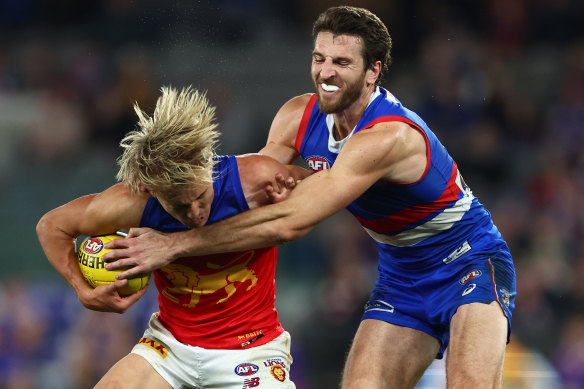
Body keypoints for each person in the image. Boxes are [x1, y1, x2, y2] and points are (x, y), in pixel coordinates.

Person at [102, 6, 517, 389]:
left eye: (341, 62)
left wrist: (171, 246)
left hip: (469, 262)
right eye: (319, 58)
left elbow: (288, 222)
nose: (326, 72)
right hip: (402, 275)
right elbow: (243, 197)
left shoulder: (388, 136)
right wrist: (168, 200)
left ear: (373, 72)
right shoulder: (296, 115)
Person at [36, 86, 306, 388]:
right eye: (178, 206)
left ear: (207, 164)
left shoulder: (258, 179)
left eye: (200, 196)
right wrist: (81, 290)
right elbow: (52, 226)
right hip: (168, 348)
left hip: (251, 350)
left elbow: (321, 197)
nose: (194, 213)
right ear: (151, 191)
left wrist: (295, 201)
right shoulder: (135, 203)